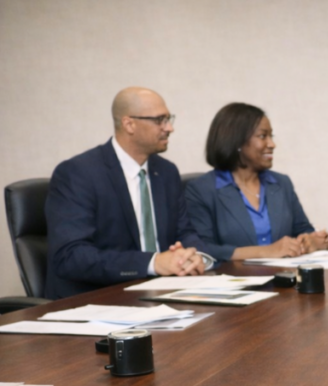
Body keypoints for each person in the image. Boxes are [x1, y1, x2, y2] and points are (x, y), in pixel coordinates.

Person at [45, 87, 207, 299]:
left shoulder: (166, 172)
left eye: (169, 119)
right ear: (129, 124)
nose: (169, 128)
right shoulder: (78, 174)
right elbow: (71, 256)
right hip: (99, 299)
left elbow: (185, 233)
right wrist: (152, 262)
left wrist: (196, 256)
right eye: (159, 120)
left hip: (165, 295)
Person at [185, 102, 328, 261]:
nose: (272, 144)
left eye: (271, 136)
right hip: (232, 280)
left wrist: (311, 242)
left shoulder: (281, 183)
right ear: (236, 141)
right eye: (262, 136)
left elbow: (302, 230)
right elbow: (201, 249)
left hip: (284, 280)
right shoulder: (201, 190)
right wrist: (267, 251)